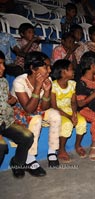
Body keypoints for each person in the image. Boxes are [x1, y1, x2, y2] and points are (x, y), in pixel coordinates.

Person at [11, 51, 61, 177]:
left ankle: (52, 151)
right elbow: (28, 109)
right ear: (33, 68)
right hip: (20, 110)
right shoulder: (20, 81)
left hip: (37, 107)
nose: (49, 70)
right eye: (46, 67)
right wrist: (38, 88)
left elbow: (44, 107)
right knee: (36, 119)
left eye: (50, 66)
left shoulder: (47, 79)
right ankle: (30, 158)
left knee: (55, 115)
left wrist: (47, 91)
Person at [0, 50, 34, 178]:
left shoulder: (2, 82)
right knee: (1, 147)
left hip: (6, 121)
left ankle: (17, 163)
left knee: (27, 136)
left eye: (3, 64)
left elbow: (8, 100)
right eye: (0, 64)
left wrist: (12, 99)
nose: (3, 67)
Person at [51, 59, 87, 163]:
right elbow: (54, 107)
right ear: (63, 72)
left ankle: (78, 145)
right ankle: (61, 149)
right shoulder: (53, 86)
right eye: (71, 69)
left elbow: (73, 102)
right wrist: (69, 117)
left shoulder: (72, 84)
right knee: (67, 124)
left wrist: (74, 114)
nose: (74, 71)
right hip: (57, 111)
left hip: (69, 110)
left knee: (82, 122)